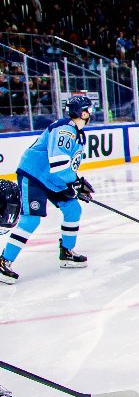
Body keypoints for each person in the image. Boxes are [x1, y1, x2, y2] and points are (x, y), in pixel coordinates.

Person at [1, 96, 95, 284]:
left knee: (73, 209)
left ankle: (67, 252)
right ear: (83, 113)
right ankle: (4, 260)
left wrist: (76, 183)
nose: (91, 114)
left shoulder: (76, 132)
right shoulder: (65, 131)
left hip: (52, 178)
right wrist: (74, 183)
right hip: (34, 176)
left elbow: (63, 169)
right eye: (89, 111)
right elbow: (59, 164)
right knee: (31, 220)